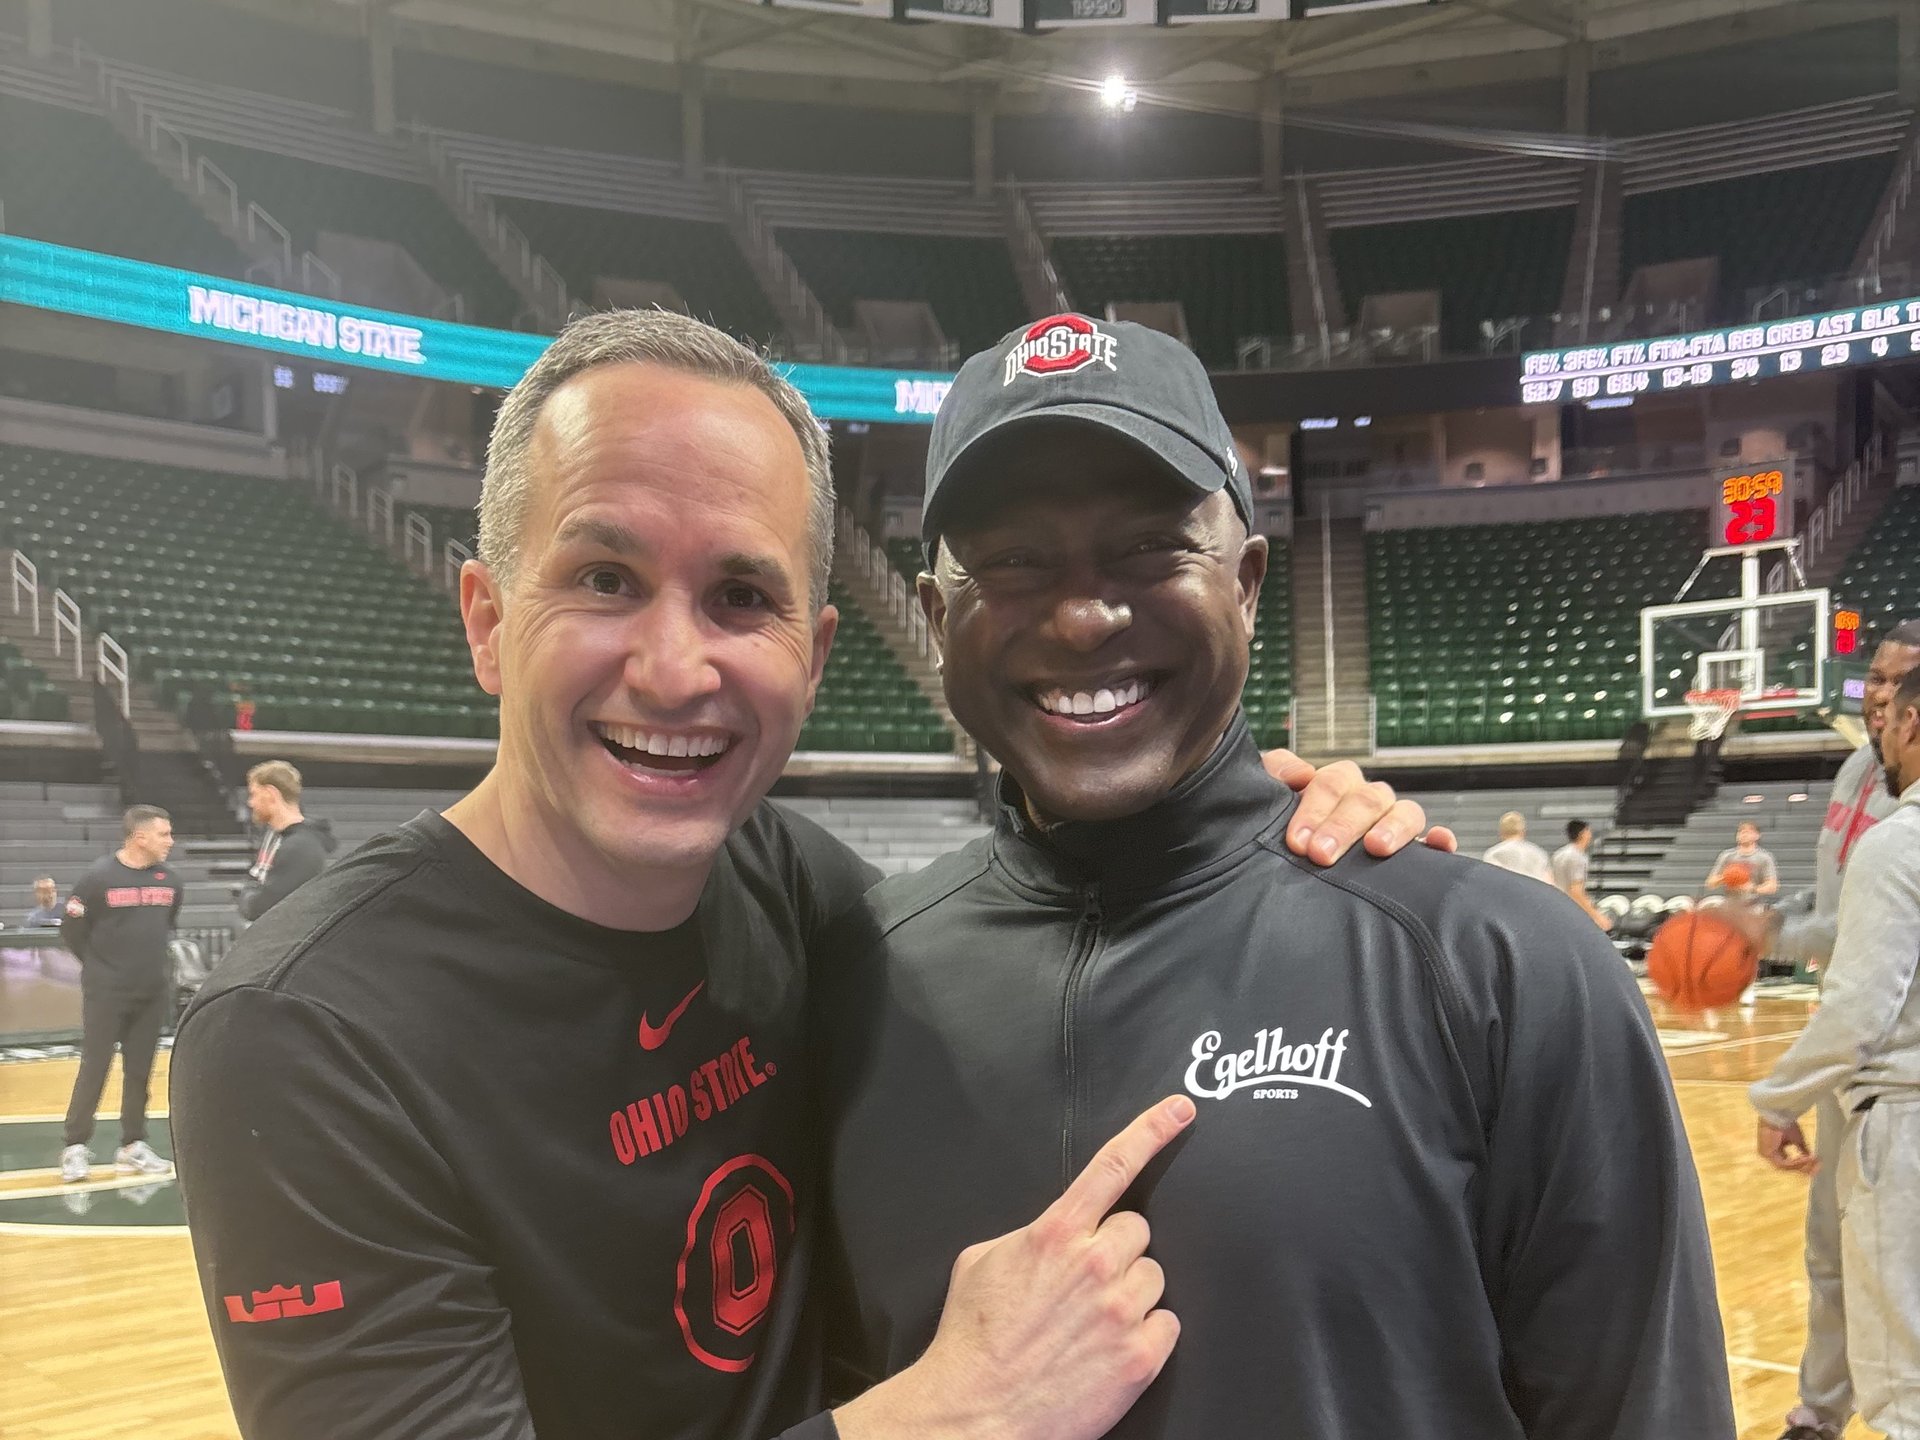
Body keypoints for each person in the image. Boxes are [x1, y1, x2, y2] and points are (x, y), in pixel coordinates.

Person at [170, 309, 1436, 1440]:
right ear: (489, 619)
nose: (675, 670)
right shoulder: (303, 1030)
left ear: (815, 653)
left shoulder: (791, 889)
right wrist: (949, 1413)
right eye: (605, 580)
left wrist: (1255, 822)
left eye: (739, 596)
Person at [817, 316, 1734, 1439]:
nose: (1082, 612)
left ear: (1247, 583)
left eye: (1151, 548)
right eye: (1011, 561)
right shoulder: (853, 982)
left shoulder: (1504, 970)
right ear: (932, 615)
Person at [1741, 620, 1920, 1440]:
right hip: (1869, 1074)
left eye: (1899, 683)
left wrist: (1778, 1095)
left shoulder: (1898, 839)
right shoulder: (1859, 775)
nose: (1879, 697)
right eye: (1873, 678)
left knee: (1905, 1387)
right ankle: (1818, 1411)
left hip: (1894, 1090)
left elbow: (1861, 996)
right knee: (1832, 1257)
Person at [57, 805, 182, 1184]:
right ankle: (75, 1146)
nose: (170, 841)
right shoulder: (98, 877)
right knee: (95, 1066)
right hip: (106, 992)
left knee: (140, 1071)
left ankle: (133, 1145)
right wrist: (101, 968)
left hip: (152, 992)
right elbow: (72, 930)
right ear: (139, 836)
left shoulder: (171, 880)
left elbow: (167, 925)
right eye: (164, 834)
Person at [234, 760, 337, 920]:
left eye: (254, 794)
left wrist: (246, 897)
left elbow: (262, 908)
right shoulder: (275, 837)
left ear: (270, 794)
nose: (250, 803)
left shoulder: (300, 847)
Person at [1552, 819, 1611, 930]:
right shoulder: (1578, 857)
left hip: (1557, 905)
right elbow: (1576, 891)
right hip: (1571, 910)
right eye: (1588, 831)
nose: (1590, 834)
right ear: (1582, 834)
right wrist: (1597, 915)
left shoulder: (1558, 854)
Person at [1481, 809, 1554, 884]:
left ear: (1501, 832)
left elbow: (1490, 881)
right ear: (1523, 831)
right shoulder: (1539, 853)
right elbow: (1549, 882)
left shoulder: (1494, 854)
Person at [1708, 820, 1779, 895]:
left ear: (1757, 835)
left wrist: (1753, 888)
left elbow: (1772, 886)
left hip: (1754, 901)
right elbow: (1710, 883)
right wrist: (1726, 877)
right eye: (1741, 831)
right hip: (1730, 900)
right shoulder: (1726, 855)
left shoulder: (1764, 857)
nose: (1744, 834)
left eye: (1748, 831)